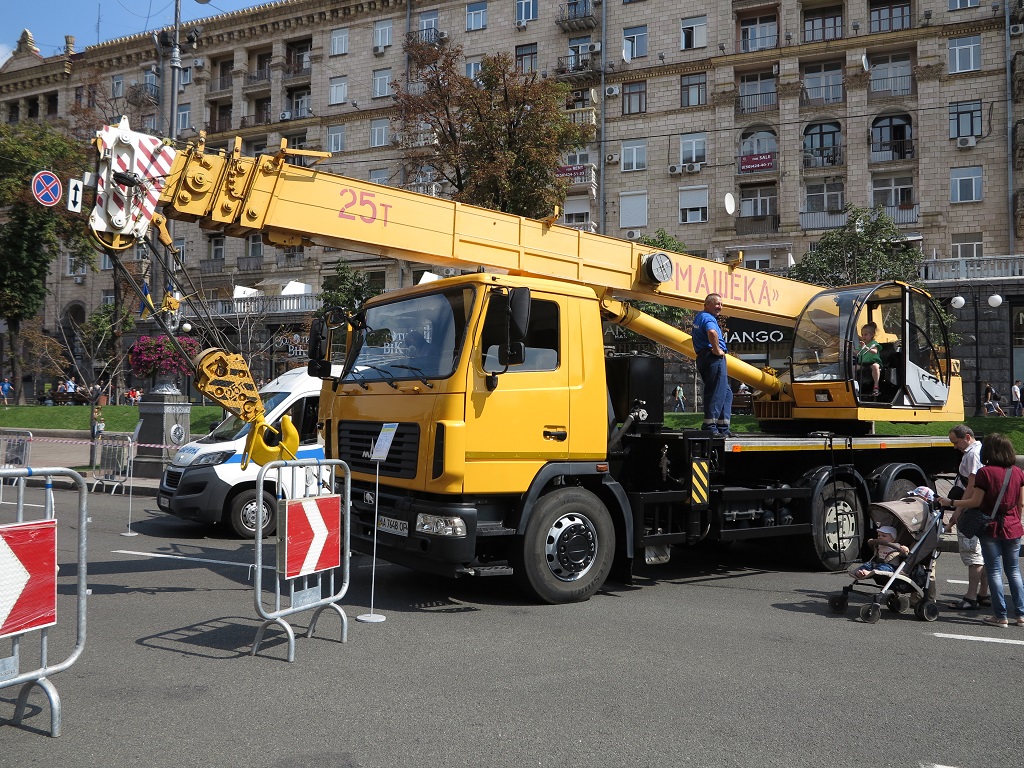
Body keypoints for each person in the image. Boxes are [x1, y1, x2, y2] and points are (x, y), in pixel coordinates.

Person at [948, 433, 1024, 627]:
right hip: (1013, 526)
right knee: (1014, 571)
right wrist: (1016, 520)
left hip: (991, 527)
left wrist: (952, 502)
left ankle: (1000, 616)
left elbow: (975, 501)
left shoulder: (985, 473)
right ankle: (1020, 615)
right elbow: (1020, 503)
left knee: (994, 570)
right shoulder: (1017, 472)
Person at [936, 424, 991, 610]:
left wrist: (958, 509)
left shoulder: (972, 454)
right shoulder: (981, 450)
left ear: (967, 437)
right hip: (981, 508)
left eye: (956, 442)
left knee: (973, 554)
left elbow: (972, 485)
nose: (955, 447)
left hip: (971, 508)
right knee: (983, 554)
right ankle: (983, 593)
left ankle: (971, 597)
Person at [692, 293, 732, 436]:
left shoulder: (699, 317)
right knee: (716, 391)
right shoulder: (708, 318)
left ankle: (723, 427)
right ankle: (710, 426)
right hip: (713, 357)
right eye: (716, 304)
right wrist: (716, 350)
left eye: (721, 304)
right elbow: (712, 332)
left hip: (704, 357)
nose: (720, 307)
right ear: (706, 305)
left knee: (726, 392)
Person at [856, 322, 882, 397]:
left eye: (866, 334)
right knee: (853, 368)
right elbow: (857, 353)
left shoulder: (874, 343)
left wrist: (865, 347)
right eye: (862, 335)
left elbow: (874, 351)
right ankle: (854, 386)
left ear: (872, 335)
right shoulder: (861, 344)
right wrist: (850, 349)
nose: (863, 336)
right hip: (863, 363)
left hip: (873, 362)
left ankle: (876, 387)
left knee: (875, 367)